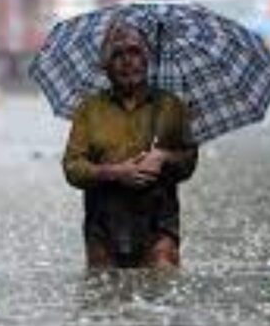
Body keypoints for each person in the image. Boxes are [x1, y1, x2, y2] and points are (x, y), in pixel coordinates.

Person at [62, 21, 198, 270]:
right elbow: (72, 167)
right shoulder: (89, 110)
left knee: (162, 276)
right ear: (105, 66)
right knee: (103, 292)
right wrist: (116, 172)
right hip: (104, 225)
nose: (128, 61)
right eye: (118, 55)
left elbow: (189, 161)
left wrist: (163, 157)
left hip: (158, 222)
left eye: (135, 52)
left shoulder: (171, 106)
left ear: (147, 59)